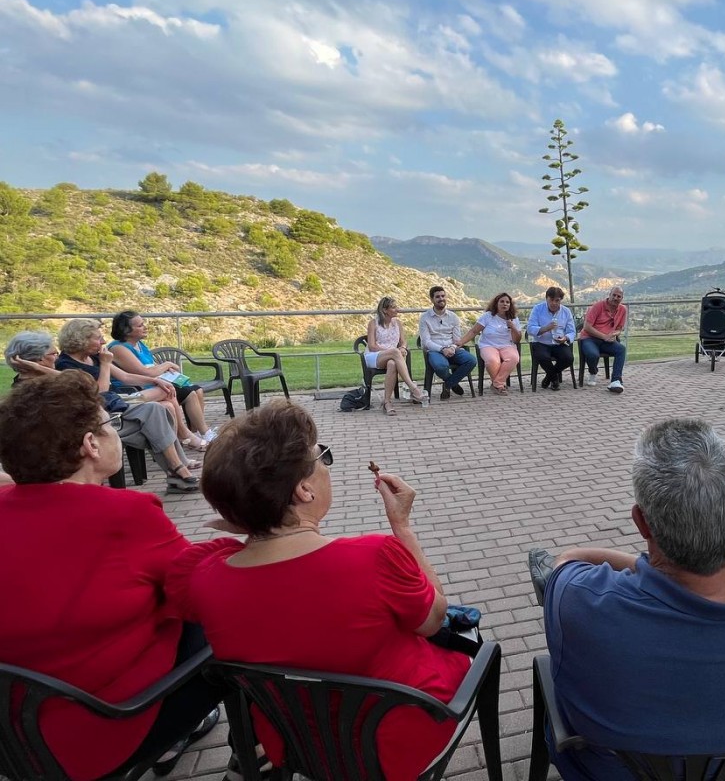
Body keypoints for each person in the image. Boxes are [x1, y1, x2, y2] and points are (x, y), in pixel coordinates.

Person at [166, 400, 471, 781]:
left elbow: (198, 562)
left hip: (292, 741)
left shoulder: (204, 578)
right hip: (391, 740)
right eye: (321, 456)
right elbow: (433, 620)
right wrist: (403, 528)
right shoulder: (374, 557)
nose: (326, 465)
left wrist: (249, 518)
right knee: (467, 645)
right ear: (304, 490)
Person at [533, 418, 725, 780]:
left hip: (608, 770)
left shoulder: (583, 600)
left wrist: (640, 565)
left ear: (641, 522)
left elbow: (566, 562)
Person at [0, 372, 221, 781]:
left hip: (11, 738)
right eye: (109, 425)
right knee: (222, 625)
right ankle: (250, 754)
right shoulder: (126, 515)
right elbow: (198, 592)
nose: (114, 432)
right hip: (97, 733)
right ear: (90, 445)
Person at [5, 330, 200, 492]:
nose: (57, 356)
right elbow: (90, 387)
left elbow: (90, 384)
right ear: (37, 359)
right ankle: (177, 471)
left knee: (157, 412)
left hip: (103, 418)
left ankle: (178, 471)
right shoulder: (32, 388)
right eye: (52, 354)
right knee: (155, 417)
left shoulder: (52, 376)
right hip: (89, 432)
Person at [108, 310, 217, 446]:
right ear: (127, 330)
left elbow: (152, 366)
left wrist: (165, 369)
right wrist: (167, 364)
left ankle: (195, 433)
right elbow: (146, 373)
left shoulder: (140, 345)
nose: (145, 327)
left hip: (153, 385)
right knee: (187, 393)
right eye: (140, 325)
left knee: (196, 390)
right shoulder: (118, 348)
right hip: (135, 390)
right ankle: (193, 435)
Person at [365, 296, 428, 414]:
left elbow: (403, 341)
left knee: (392, 364)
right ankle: (413, 388)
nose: (397, 309)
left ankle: (387, 402)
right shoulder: (373, 323)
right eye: (393, 307)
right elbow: (372, 346)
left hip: (393, 356)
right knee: (394, 352)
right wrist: (393, 351)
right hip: (375, 356)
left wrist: (403, 347)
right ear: (385, 310)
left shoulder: (397, 323)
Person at [418, 285, 476, 400]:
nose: (441, 299)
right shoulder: (424, 318)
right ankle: (453, 383)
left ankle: (448, 384)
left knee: (471, 360)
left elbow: (457, 340)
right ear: (432, 299)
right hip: (435, 350)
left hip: (452, 348)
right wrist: (442, 349)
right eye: (437, 297)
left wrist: (452, 348)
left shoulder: (453, 317)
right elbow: (426, 342)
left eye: (443, 296)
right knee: (440, 366)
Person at [457, 292, 521, 395]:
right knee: (492, 360)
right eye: (502, 301)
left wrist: (513, 327)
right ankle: (500, 385)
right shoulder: (488, 316)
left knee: (514, 358)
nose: (505, 304)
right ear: (496, 303)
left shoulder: (514, 318)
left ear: (510, 305)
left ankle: (496, 384)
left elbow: (517, 339)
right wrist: (461, 342)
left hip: (507, 345)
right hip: (488, 345)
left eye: (507, 302)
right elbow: (474, 331)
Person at [579, 286, 627, 392]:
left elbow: (619, 328)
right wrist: (604, 336)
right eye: (614, 295)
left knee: (621, 349)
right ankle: (593, 371)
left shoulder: (623, 309)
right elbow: (587, 327)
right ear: (609, 295)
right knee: (593, 355)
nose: (615, 298)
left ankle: (616, 381)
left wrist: (614, 334)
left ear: (622, 298)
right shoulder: (597, 307)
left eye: (619, 296)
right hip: (589, 338)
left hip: (607, 340)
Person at [527, 286, 576, 390]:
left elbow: (572, 331)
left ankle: (548, 378)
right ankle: (554, 379)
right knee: (543, 357)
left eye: (557, 300)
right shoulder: (538, 309)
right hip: (541, 343)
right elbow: (530, 329)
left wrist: (565, 338)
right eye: (551, 300)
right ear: (546, 299)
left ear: (561, 300)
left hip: (559, 343)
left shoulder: (566, 311)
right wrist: (545, 328)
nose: (554, 303)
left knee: (568, 358)